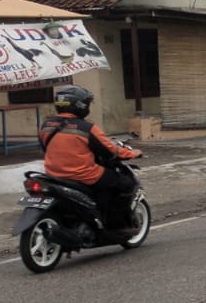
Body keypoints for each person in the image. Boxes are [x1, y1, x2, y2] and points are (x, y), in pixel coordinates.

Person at [37, 85, 142, 232]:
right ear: (80, 105)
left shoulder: (45, 125)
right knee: (125, 183)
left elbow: (45, 148)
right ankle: (117, 226)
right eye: (87, 104)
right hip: (83, 175)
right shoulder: (87, 128)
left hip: (53, 175)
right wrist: (133, 153)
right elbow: (110, 150)